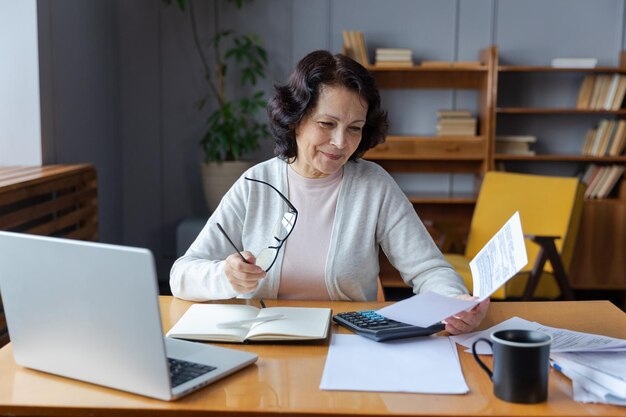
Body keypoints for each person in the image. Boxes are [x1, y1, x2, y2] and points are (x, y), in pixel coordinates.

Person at [170, 50, 488, 334]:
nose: (340, 142)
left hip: (349, 341)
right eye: (326, 123)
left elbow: (429, 268)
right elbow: (182, 274)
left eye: (354, 128)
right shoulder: (256, 184)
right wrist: (226, 275)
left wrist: (454, 303)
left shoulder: (374, 185)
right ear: (295, 119)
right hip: (265, 345)